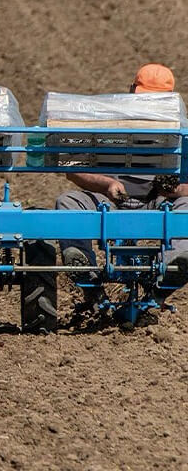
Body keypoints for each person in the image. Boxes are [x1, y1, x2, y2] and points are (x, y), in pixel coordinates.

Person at [55, 63, 188, 302]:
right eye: (143, 98)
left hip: (157, 202)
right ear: (130, 91)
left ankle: (173, 268)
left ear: (170, 100)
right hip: (109, 199)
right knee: (68, 201)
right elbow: (73, 169)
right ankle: (87, 275)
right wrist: (106, 184)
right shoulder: (108, 123)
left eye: (156, 101)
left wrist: (174, 189)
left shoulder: (181, 132)